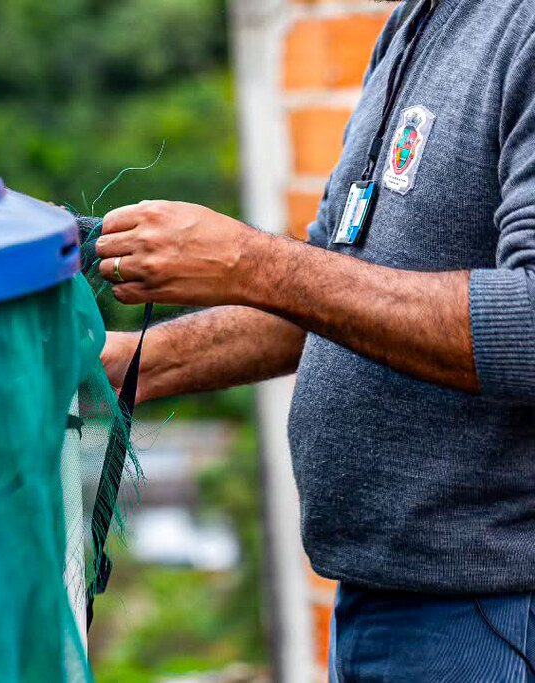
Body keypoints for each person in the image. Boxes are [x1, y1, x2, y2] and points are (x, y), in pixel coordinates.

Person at [95, 0, 535, 680]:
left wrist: (248, 262)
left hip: (491, 618)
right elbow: (331, 294)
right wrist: (128, 365)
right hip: (377, 607)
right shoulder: (417, 21)